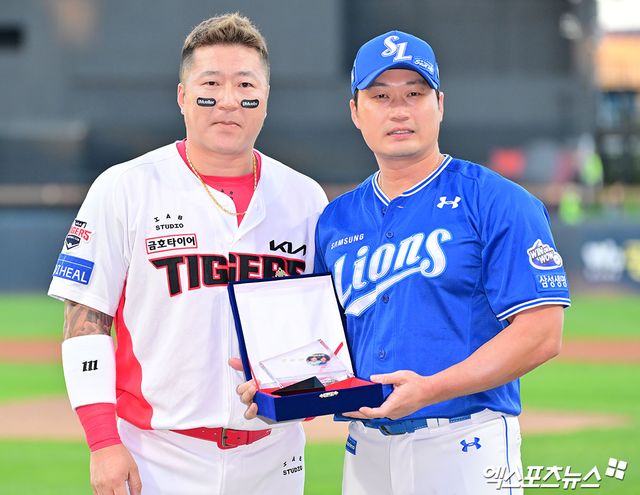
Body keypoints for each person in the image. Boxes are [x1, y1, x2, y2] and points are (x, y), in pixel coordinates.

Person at [239, 30, 571, 494]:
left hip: (465, 441)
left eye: (414, 94)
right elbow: (324, 342)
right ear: (356, 112)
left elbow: (542, 334)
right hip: (365, 447)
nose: (399, 110)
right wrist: (277, 377)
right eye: (380, 96)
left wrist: (431, 389)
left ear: (440, 104)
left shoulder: (497, 200)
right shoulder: (336, 219)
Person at [48, 13, 327, 495]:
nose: (228, 100)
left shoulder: (305, 198)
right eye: (210, 84)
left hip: (274, 451)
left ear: (265, 99)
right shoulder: (126, 186)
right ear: (182, 97)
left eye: (245, 85)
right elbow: (85, 321)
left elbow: (320, 325)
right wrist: (102, 442)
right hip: (157, 454)